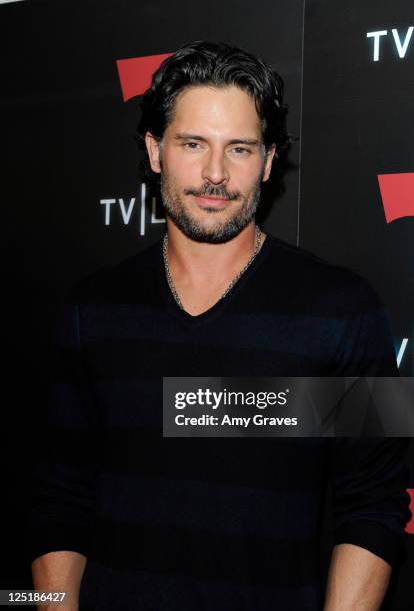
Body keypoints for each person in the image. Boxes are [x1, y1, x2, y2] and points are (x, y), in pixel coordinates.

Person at [30, 41, 411, 610]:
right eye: (192, 144)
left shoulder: (342, 310)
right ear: (155, 151)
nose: (215, 174)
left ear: (269, 159)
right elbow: (59, 498)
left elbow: (373, 502)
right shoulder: (91, 310)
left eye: (239, 148)